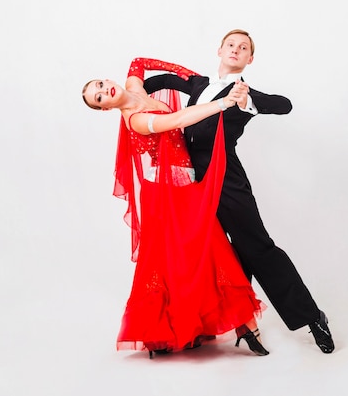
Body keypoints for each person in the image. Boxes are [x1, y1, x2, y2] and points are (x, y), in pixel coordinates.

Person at [143, 30, 335, 354]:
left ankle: (312, 317)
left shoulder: (243, 92)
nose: (236, 49)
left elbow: (284, 105)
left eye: (243, 47)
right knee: (198, 255)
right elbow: (157, 81)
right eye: (231, 44)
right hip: (190, 182)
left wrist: (248, 102)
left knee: (256, 248)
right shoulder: (197, 84)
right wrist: (131, 93)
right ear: (219, 50)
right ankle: (193, 330)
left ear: (250, 59)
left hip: (226, 181)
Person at [82, 57, 269, 358]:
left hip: (184, 182)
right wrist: (221, 104)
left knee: (209, 248)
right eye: (99, 96)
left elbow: (138, 61)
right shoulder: (135, 119)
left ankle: (240, 327)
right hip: (165, 192)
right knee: (187, 255)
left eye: (101, 84)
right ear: (105, 108)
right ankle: (177, 331)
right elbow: (180, 120)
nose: (105, 90)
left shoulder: (133, 85)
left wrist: (184, 73)